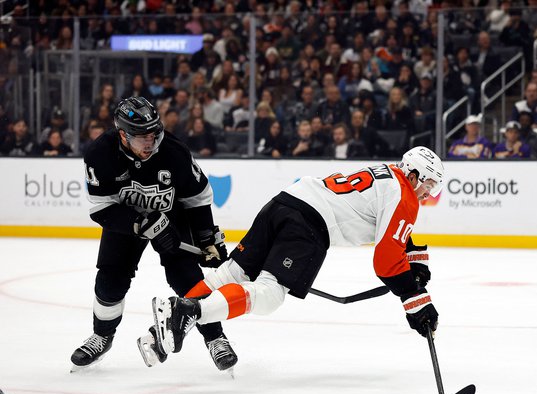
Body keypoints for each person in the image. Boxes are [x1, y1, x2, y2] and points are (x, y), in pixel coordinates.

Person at [145, 147, 444, 360]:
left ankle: (161, 328)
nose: (429, 193)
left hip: (286, 202)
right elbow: (386, 262)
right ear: (414, 175)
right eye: (428, 184)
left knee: (231, 273)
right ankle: (191, 311)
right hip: (310, 225)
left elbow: (389, 227)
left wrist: (414, 257)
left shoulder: (389, 173)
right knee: (270, 294)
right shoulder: (406, 196)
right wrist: (414, 298)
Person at [72, 97, 237, 373]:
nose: (149, 142)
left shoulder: (174, 152)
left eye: (153, 133)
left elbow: (198, 198)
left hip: (172, 217)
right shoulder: (99, 154)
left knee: (188, 279)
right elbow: (101, 209)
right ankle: (102, 337)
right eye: (140, 137)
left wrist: (207, 238)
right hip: (126, 222)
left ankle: (216, 338)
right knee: (110, 281)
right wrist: (140, 223)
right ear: (123, 135)